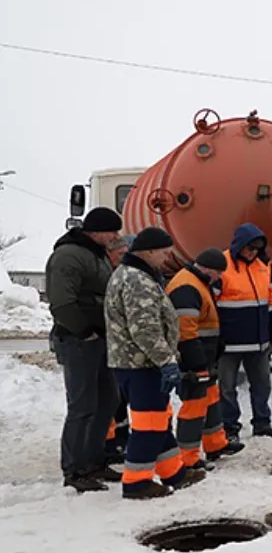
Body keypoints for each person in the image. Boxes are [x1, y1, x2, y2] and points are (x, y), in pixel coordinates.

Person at [104, 227, 208, 499]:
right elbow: (145, 329)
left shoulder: (132, 275)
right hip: (141, 364)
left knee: (159, 419)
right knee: (149, 424)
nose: (167, 257)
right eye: (164, 252)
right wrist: (166, 362)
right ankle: (137, 482)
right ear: (148, 251)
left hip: (135, 362)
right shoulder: (137, 281)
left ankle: (174, 472)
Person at [46, 207, 123, 492]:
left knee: (107, 400)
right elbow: (62, 303)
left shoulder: (96, 253)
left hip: (100, 339)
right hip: (79, 341)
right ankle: (74, 469)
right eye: (112, 231)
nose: (115, 237)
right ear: (97, 230)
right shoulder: (69, 256)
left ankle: (94, 461)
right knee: (82, 406)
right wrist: (84, 331)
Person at [167, 248, 241, 469]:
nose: (219, 279)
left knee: (210, 399)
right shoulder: (186, 287)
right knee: (194, 405)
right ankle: (187, 457)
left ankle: (215, 444)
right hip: (193, 358)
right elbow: (185, 331)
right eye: (218, 274)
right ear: (208, 269)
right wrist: (196, 361)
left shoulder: (197, 283)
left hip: (204, 356)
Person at [217, 223, 272, 441]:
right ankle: (229, 428)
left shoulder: (264, 265)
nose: (253, 252)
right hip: (229, 341)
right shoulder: (222, 264)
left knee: (262, 384)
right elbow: (211, 300)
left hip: (258, 340)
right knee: (227, 388)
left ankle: (262, 423)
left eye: (257, 248)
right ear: (240, 245)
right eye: (250, 248)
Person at [103, 235, 132, 465]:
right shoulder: (109, 277)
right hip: (109, 346)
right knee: (111, 399)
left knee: (120, 399)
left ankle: (120, 439)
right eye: (121, 254)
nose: (124, 259)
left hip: (120, 349)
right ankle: (109, 444)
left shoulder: (124, 276)